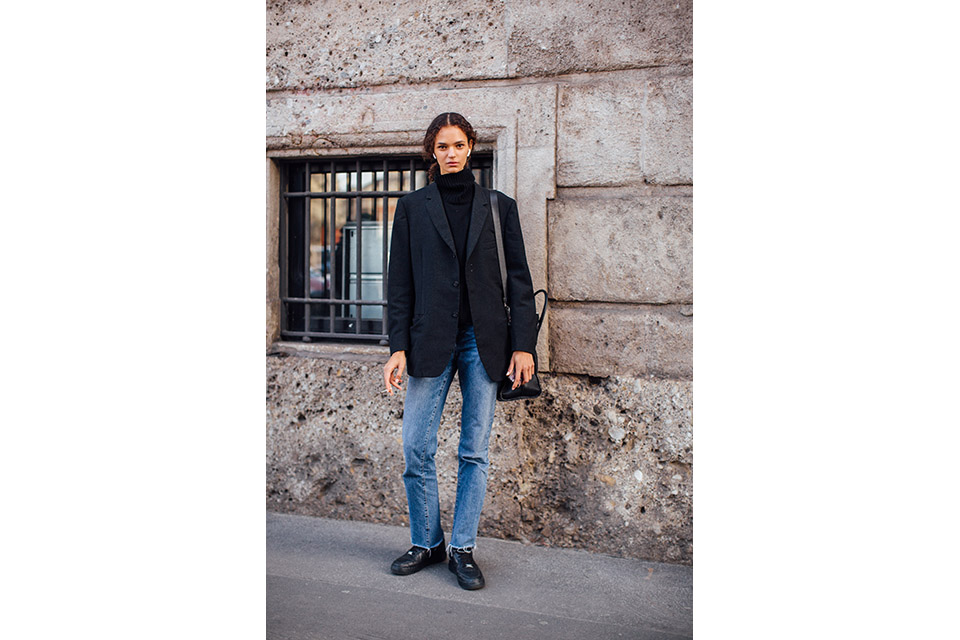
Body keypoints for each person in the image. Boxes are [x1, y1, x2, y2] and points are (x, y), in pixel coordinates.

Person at [382, 112, 538, 590]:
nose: (450, 153)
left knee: (474, 451)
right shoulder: (412, 208)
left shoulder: (499, 206)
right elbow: (400, 283)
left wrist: (523, 346)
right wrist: (397, 346)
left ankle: (463, 548)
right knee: (416, 447)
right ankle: (427, 542)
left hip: (483, 342)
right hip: (429, 339)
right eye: (442, 146)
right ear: (432, 152)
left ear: (471, 147)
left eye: (458, 145)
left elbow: (519, 281)